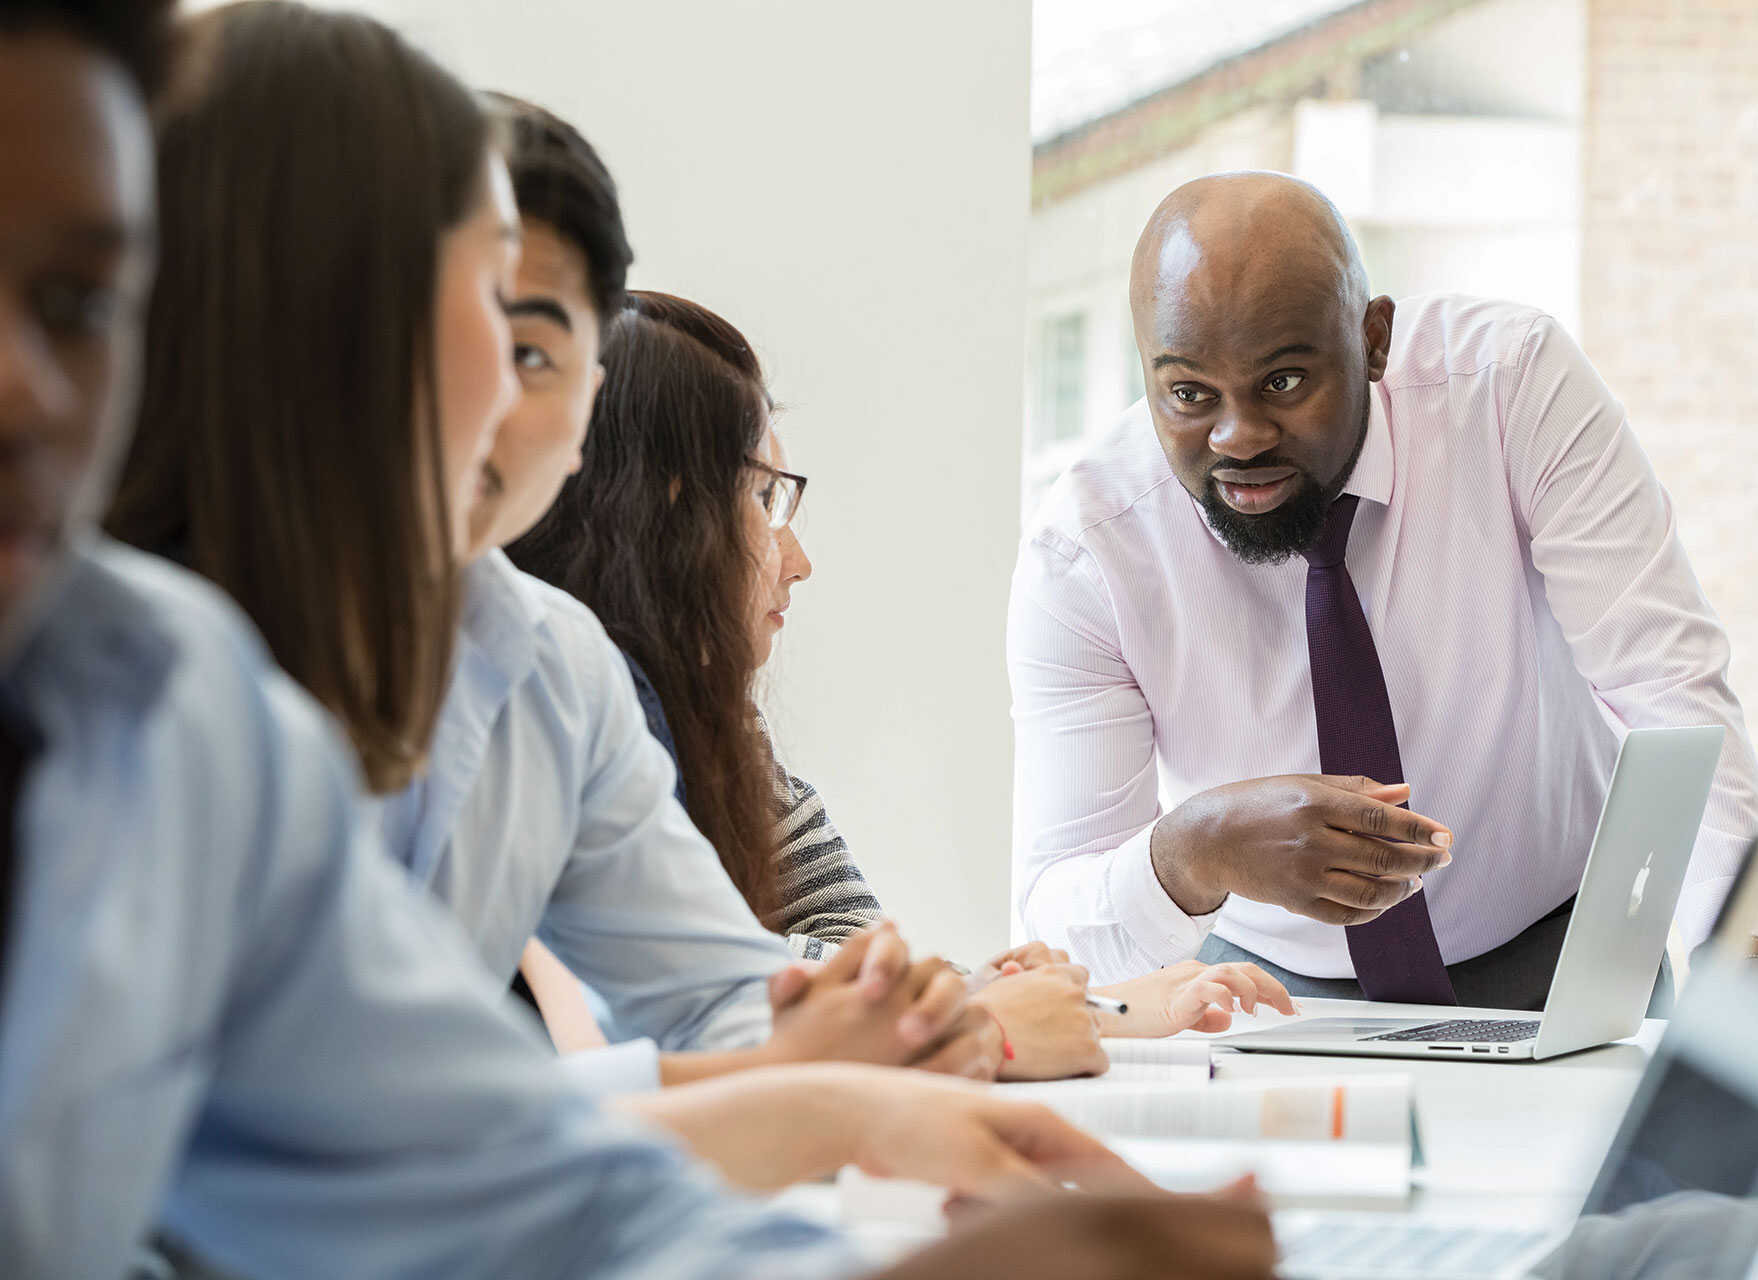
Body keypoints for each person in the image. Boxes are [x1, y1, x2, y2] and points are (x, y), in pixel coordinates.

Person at [1, 2, 1282, 1275]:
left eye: (74, 300)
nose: (520, 397)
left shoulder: (183, 704)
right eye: (494, 318)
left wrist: (884, 1178)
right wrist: (870, 1083)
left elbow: (465, 1167)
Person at [107, 20, 991, 1093]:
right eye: (428, 322)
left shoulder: (551, 663)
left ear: (590, 406)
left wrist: (901, 1040)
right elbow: (353, 1136)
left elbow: (715, 998)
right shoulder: (138, 659)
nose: (477, 390)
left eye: (529, 346)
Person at [1007, 170, 1758, 1088]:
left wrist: (1746, 957)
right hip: (1267, 1005)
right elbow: (1055, 926)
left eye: (1282, 380)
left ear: (1372, 338)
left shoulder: (1511, 389)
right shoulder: (1086, 556)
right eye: (1189, 394)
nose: (1238, 436)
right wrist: (1192, 849)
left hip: (1567, 966)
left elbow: (1664, 685)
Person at [508, 289, 1297, 1069]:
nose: (798, 561)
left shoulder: (716, 736)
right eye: (761, 497)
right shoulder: (549, 716)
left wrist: (1076, 1008)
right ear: (662, 514)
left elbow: (849, 948)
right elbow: (692, 994)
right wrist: (989, 1021)